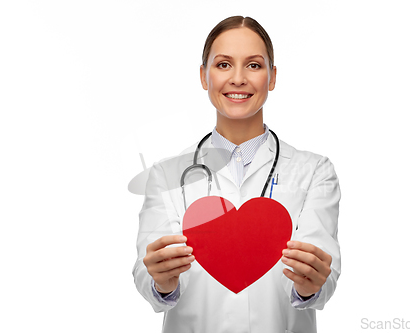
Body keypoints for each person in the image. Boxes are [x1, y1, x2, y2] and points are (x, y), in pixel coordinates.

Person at [133, 16, 341, 333]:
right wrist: (162, 282)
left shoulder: (314, 171)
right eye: (224, 65)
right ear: (204, 76)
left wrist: (309, 285)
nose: (239, 78)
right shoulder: (166, 175)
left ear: (272, 77)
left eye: (254, 66)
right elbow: (149, 281)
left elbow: (321, 282)